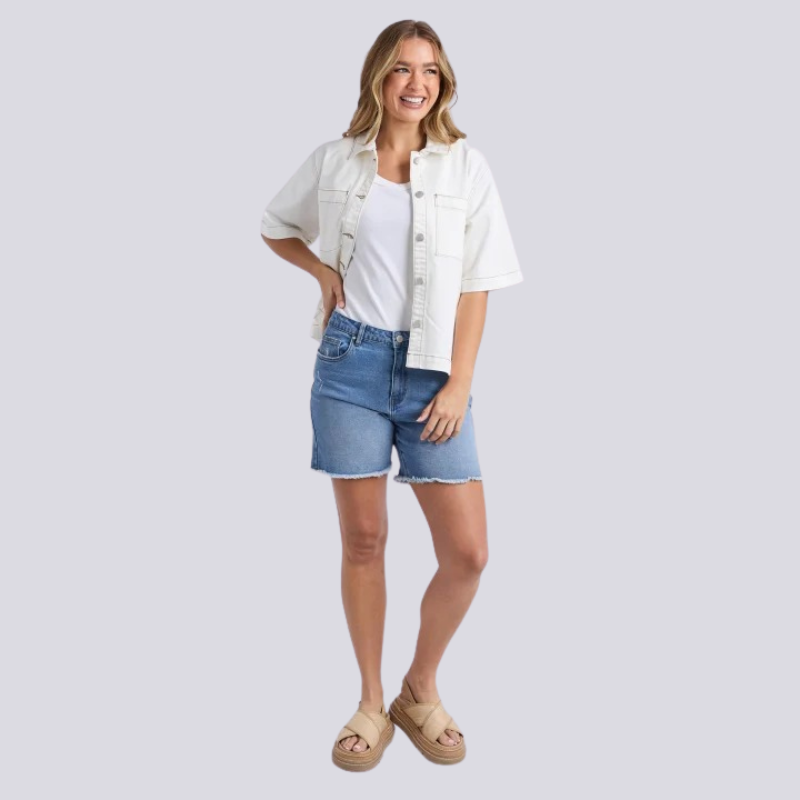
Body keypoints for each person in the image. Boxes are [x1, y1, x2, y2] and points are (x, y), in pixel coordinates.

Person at [260, 20, 523, 771]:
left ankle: (420, 688)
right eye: (403, 68)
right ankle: (372, 701)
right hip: (350, 366)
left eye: (430, 71)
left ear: (444, 83)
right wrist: (322, 272)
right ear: (379, 76)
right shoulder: (335, 160)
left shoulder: (466, 167)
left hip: (436, 375)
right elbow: (275, 225)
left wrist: (459, 383)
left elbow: (477, 284)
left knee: (468, 553)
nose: (417, 83)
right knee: (365, 541)